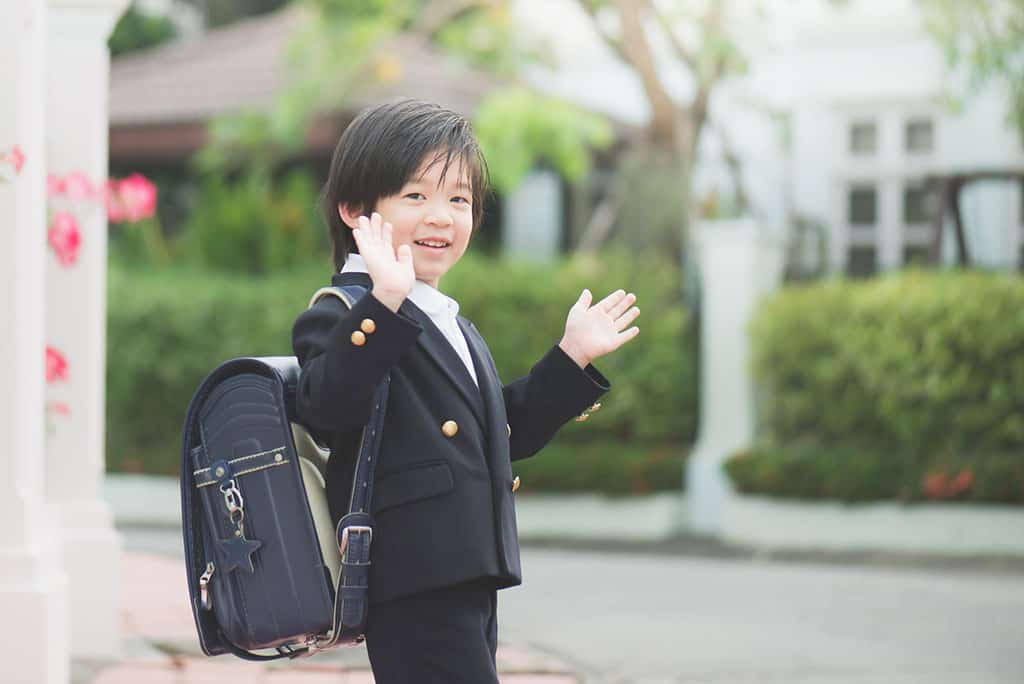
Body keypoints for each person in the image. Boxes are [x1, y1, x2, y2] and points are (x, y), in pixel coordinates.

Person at [291, 98, 640, 683]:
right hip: (412, 574)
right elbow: (327, 408)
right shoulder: (349, 311)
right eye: (415, 196)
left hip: (464, 570)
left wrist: (571, 357)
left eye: (459, 200)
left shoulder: (442, 315)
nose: (442, 217)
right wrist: (384, 303)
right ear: (354, 210)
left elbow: (501, 436)